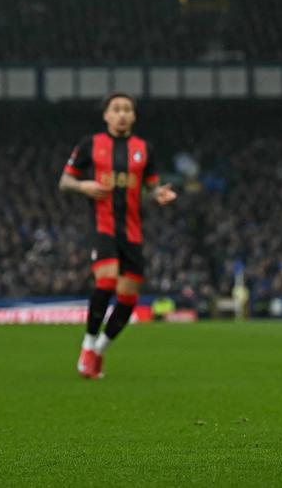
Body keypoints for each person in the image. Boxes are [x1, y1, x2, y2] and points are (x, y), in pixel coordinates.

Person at [60, 93, 177, 379]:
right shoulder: (91, 145)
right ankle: (87, 346)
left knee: (127, 298)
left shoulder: (144, 149)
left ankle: (99, 350)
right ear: (106, 116)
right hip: (104, 227)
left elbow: (150, 187)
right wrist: (84, 187)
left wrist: (158, 194)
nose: (122, 114)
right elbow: (64, 182)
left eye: (127, 109)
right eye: (116, 109)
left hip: (133, 233)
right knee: (107, 280)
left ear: (134, 116)